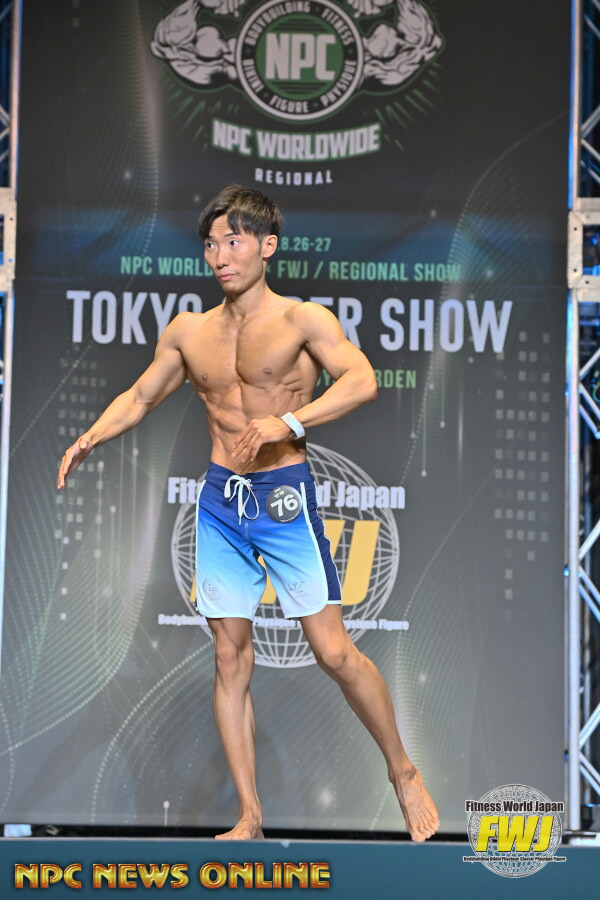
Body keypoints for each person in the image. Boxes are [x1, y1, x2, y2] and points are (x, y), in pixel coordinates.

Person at [57, 185, 440, 843]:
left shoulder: (302, 320)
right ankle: (250, 816)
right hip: (220, 503)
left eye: (233, 242)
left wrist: (288, 422)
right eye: (211, 244)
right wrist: (92, 435)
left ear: (267, 246)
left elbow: (362, 380)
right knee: (230, 658)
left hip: (284, 496)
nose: (220, 256)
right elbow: (141, 396)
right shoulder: (190, 331)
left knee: (333, 651)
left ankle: (403, 771)